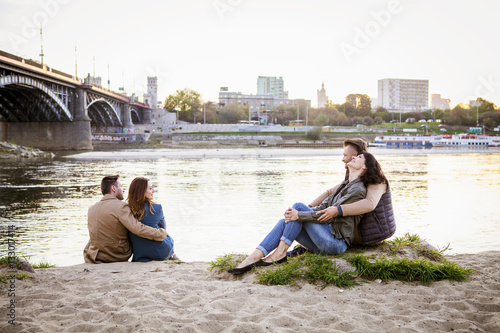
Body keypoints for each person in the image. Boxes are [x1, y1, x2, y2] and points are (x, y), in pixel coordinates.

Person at [228, 151, 387, 275]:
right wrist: (296, 214)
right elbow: (321, 207)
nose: (353, 157)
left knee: (298, 209)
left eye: (359, 157)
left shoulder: (358, 189)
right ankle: (256, 255)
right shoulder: (344, 185)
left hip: (335, 243)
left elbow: (327, 216)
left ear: (364, 167)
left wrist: (299, 214)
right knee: (288, 220)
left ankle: (278, 254)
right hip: (324, 240)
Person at [309, 138, 395, 245]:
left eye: (345, 155)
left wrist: (337, 210)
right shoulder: (354, 175)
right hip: (356, 228)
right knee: (310, 217)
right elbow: (330, 192)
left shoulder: (376, 178)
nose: (343, 159)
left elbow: (370, 204)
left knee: (314, 222)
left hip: (371, 234)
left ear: (354, 156)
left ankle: (306, 247)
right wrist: (309, 207)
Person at [83, 175, 167, 263]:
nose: (123, 190)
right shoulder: (121, 206)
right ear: (113, 188)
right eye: (121, 187)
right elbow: (138, 228)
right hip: (114, 255)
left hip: (94, 255)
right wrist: (160, 233)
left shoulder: (91, 208)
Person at [127, 177, 176, 262]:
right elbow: (163, 228)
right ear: (141, 191)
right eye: (150, 189)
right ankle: (173, 255)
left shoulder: (126, 210)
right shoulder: (157, 208)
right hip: (160, 253)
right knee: (168, 238)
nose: (153, 191)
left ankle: (173, 255)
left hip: (139, 254)